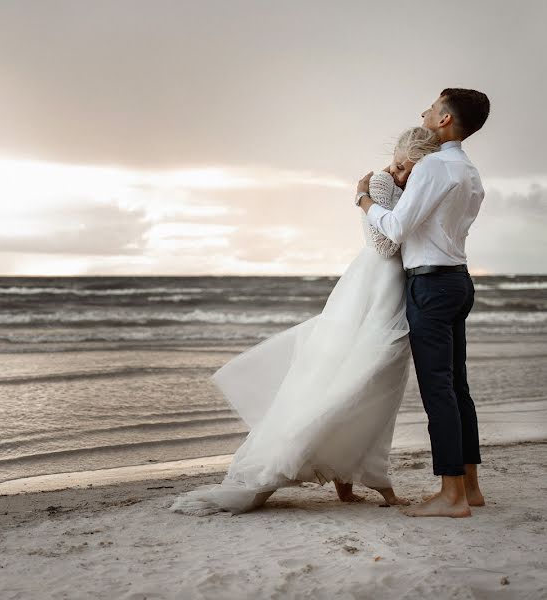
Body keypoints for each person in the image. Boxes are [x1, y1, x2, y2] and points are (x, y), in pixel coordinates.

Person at [169, 127, 440, 516]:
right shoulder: (379, 183)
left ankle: (354, 479)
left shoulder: (422, 185)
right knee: (350, 377)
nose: (401, 176)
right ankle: (354, 477)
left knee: (377, 386)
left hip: (394, 291)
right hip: (371, 288)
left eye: (410, 171)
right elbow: (383, 245)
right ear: (392, 159)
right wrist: (364, 199)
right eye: (399, 166)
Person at [357, 88, 490, 518]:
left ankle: (450, 496)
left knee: (439, 392)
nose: (425, 113)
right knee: (457, 388)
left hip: (430, 286)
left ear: (446, 120)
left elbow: (395, 228)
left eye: (432, 108)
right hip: (458, 281)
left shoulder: (433, 166)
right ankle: (469, 487)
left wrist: (364, 201)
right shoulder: (468, 170)